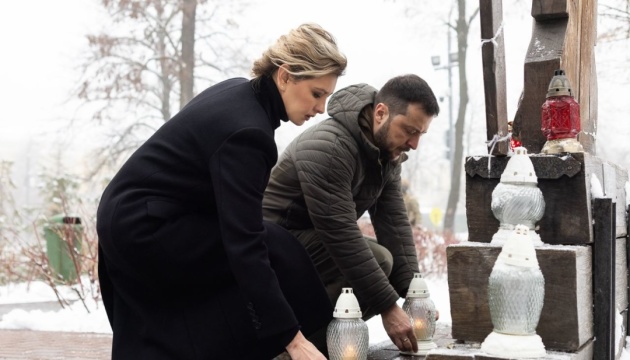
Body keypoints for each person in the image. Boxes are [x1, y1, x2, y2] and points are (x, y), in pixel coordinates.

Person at [96, 23, 347, 360]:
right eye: (317, 94)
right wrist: (292, 338)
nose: (321, 108)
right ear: (285, 77)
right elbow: (245, 243)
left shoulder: (239, 92)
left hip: (129, 215)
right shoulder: (249, 134)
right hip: (147, 228)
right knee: (274, 250)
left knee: (272, 248)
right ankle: (297, 344)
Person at [263, 74, 440, 355]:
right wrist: (387, 307)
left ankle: (317, 346)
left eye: (420, 134)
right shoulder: (330, 147)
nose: (414, 144)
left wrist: (414, 295)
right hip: (271, 244)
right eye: (409, 130)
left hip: (309, 245)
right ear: (381, 113)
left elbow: (394, 224)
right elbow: (340, 235)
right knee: (380, 260)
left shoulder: (386, 155)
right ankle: (292, 351)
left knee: (386, 260)